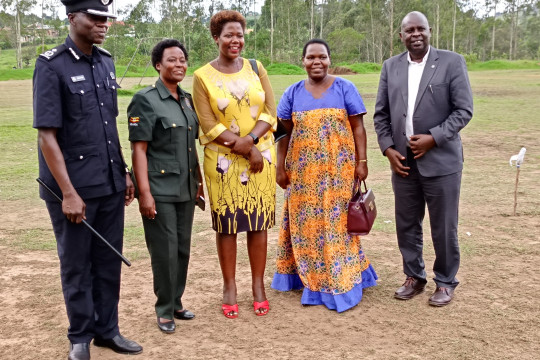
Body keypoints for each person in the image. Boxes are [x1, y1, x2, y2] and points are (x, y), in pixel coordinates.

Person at [32, 0, 143, 359]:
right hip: (74, 190)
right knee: (77, 265)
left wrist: (124, 172)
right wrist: (67, 192)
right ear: (72, 18)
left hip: (109, 183)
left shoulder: (106, 61)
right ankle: (79, 335)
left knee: (109, 262)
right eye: (95, 18)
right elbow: (47, 136)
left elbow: (107, 127)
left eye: (106, 19)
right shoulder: (51, 66)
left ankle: (107, 330)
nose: (103, 24)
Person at [373, 11, 473, 306]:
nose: (415, 34)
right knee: (406, 223)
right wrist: (388, 148)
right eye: (409, 30)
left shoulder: (452, 62)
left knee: (443, 225)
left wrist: (434, 138)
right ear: (400, 35)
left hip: (442, 161)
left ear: (429, 31)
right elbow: (381, 114)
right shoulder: (390, 66)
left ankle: (445, 281)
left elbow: (463, 110)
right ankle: (414, 276)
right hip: (403, 162)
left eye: (421, 29)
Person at [271, 39, 378, 313]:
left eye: (322, 57)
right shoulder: (293, 92)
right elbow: (282, 132)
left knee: (336, 225)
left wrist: (361, 163)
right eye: (310, 57)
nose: (316, 62)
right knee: (305, 226)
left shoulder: (345, 88)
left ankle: (339, 277)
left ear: (329, 59)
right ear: (303, 61)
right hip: (302, 175)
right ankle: (308, 277)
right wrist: (279, 167)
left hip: (339, 173)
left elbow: (358, 128)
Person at [192, 10, 277, 318]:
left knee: (258, 220)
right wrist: (243, 148)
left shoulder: (256, 68)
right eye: (228, 35)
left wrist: (252, 143)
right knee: (227, 223)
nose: (235, 40)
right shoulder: (202, 76)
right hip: (222, 162)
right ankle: (229, 286)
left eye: (239, 35)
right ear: (216, 38)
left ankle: (257, 286)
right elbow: (208, 124)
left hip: (261, 159)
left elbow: (270, 111)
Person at [128, 39, 202, 333]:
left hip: (185, 188)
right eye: (171, 60)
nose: (179, 65)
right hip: (159, 190)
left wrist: (197, 183)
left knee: (182, 249)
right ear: (158, 65)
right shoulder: (145, 100)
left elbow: (189, 147)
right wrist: (144, 193)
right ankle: (164, 309)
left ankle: (176, 301)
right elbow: (139, 150)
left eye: (182, 60)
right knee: (164, 251)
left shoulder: (186, 99)